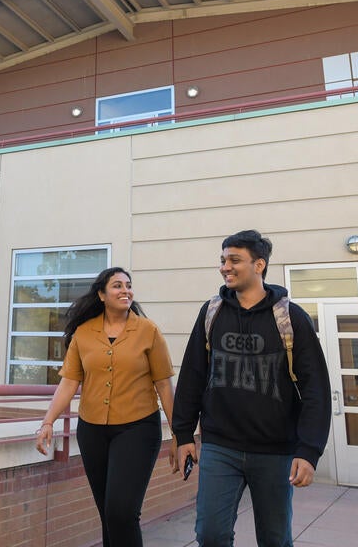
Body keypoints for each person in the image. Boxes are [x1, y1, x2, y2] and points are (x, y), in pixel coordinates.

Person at [171, 230, 331, 547]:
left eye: (234, 260)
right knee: (210, 535)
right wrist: (184, 434)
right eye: (222, 260)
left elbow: (316, 389)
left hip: (276, 451)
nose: (225, 267)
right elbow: (192, 375)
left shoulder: (290, 317)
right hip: (220, 446)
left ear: (259, 265)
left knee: (274, 539)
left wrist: (308, 450)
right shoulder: (211, 313)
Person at [35, 266, 175, 547]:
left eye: (128, 285)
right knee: (108, 514)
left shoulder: (148, 331)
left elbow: (163, 385)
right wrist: (48, 421)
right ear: (101, 294)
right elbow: (69, 382)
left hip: (138, 429)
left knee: (122, 512)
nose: (125, 290)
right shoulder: (84, 334)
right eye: (117, 285)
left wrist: (179, 435)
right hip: (93, 431)